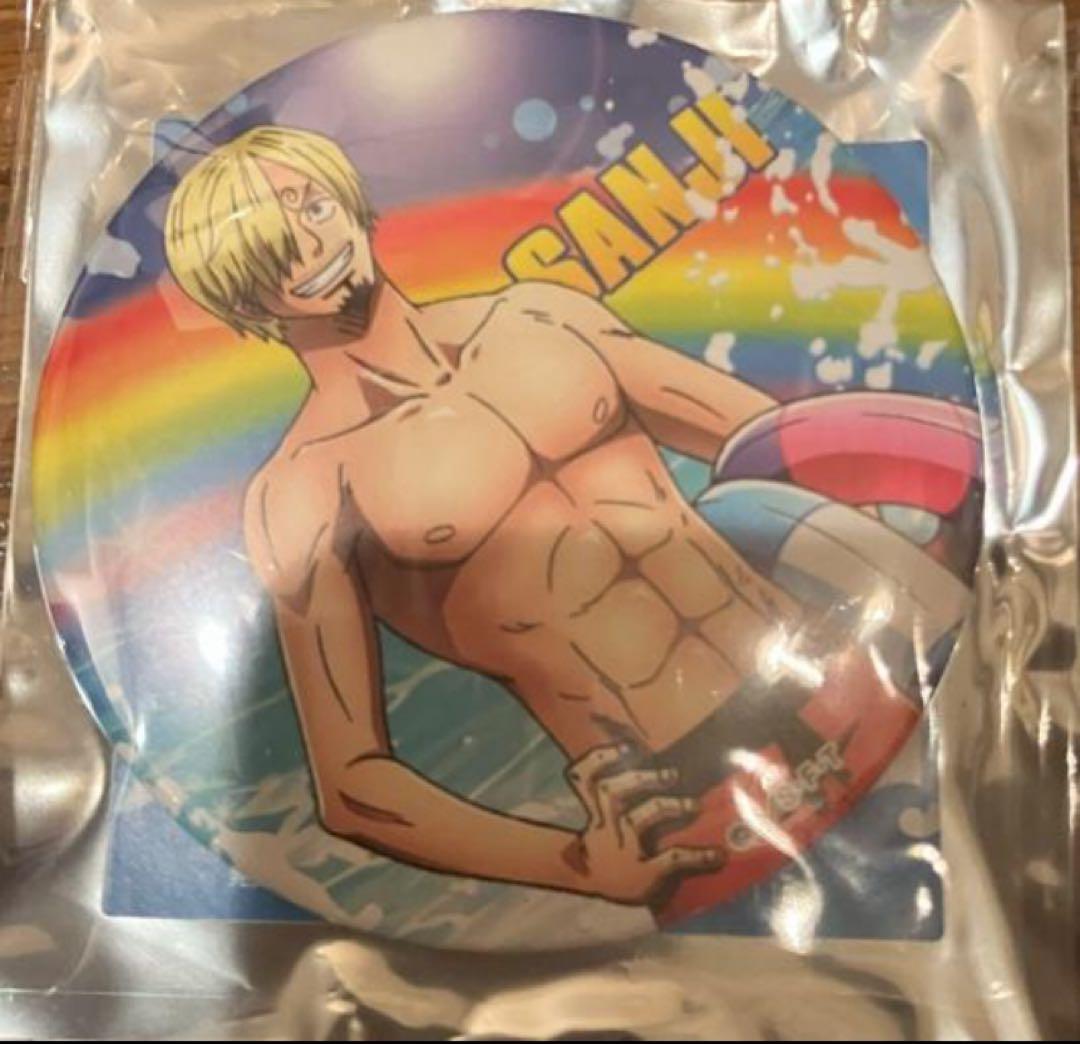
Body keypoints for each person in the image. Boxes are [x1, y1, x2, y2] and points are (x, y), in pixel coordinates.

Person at [165, 124, 853, 914]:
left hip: (829, 673)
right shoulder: (306, 485)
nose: (307, 245)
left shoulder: (540, 319)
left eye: (312, 206)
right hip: (680, 792)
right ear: (240, 297)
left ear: (351, 202)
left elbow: (785, 447)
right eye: (267, 248)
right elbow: (352, 784)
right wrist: (576, 864)